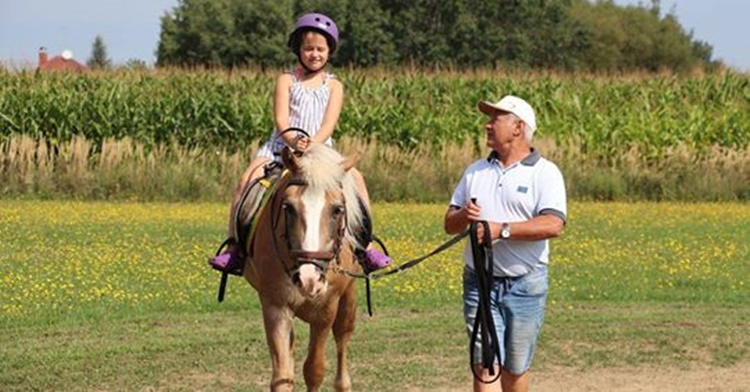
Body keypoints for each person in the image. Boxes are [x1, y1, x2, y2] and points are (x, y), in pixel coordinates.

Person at [209, 12, 391, 274]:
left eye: (320, 49)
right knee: (246, 181)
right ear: (298, 49)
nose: (314, 54)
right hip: (279, 149)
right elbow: (281, 119)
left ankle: (366, 246)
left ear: (329, 51)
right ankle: (234, 248)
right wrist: (294, 140)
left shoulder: (334, 86)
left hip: (321, 152)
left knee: (358, 182)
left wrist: (312, 144)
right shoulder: (286, 80)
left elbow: (329, 124)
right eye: (308, 48)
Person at [443, 95, 566, 392]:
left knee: (515, 369)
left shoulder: (545, 173)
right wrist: (463, 216)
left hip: (525, 284)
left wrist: (502, 230)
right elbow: (449, 224)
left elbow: (554, 224)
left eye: (495, 119)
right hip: (479, 282)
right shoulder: (475, 171)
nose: (487, 125)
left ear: (518, 128)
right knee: (485, 365)